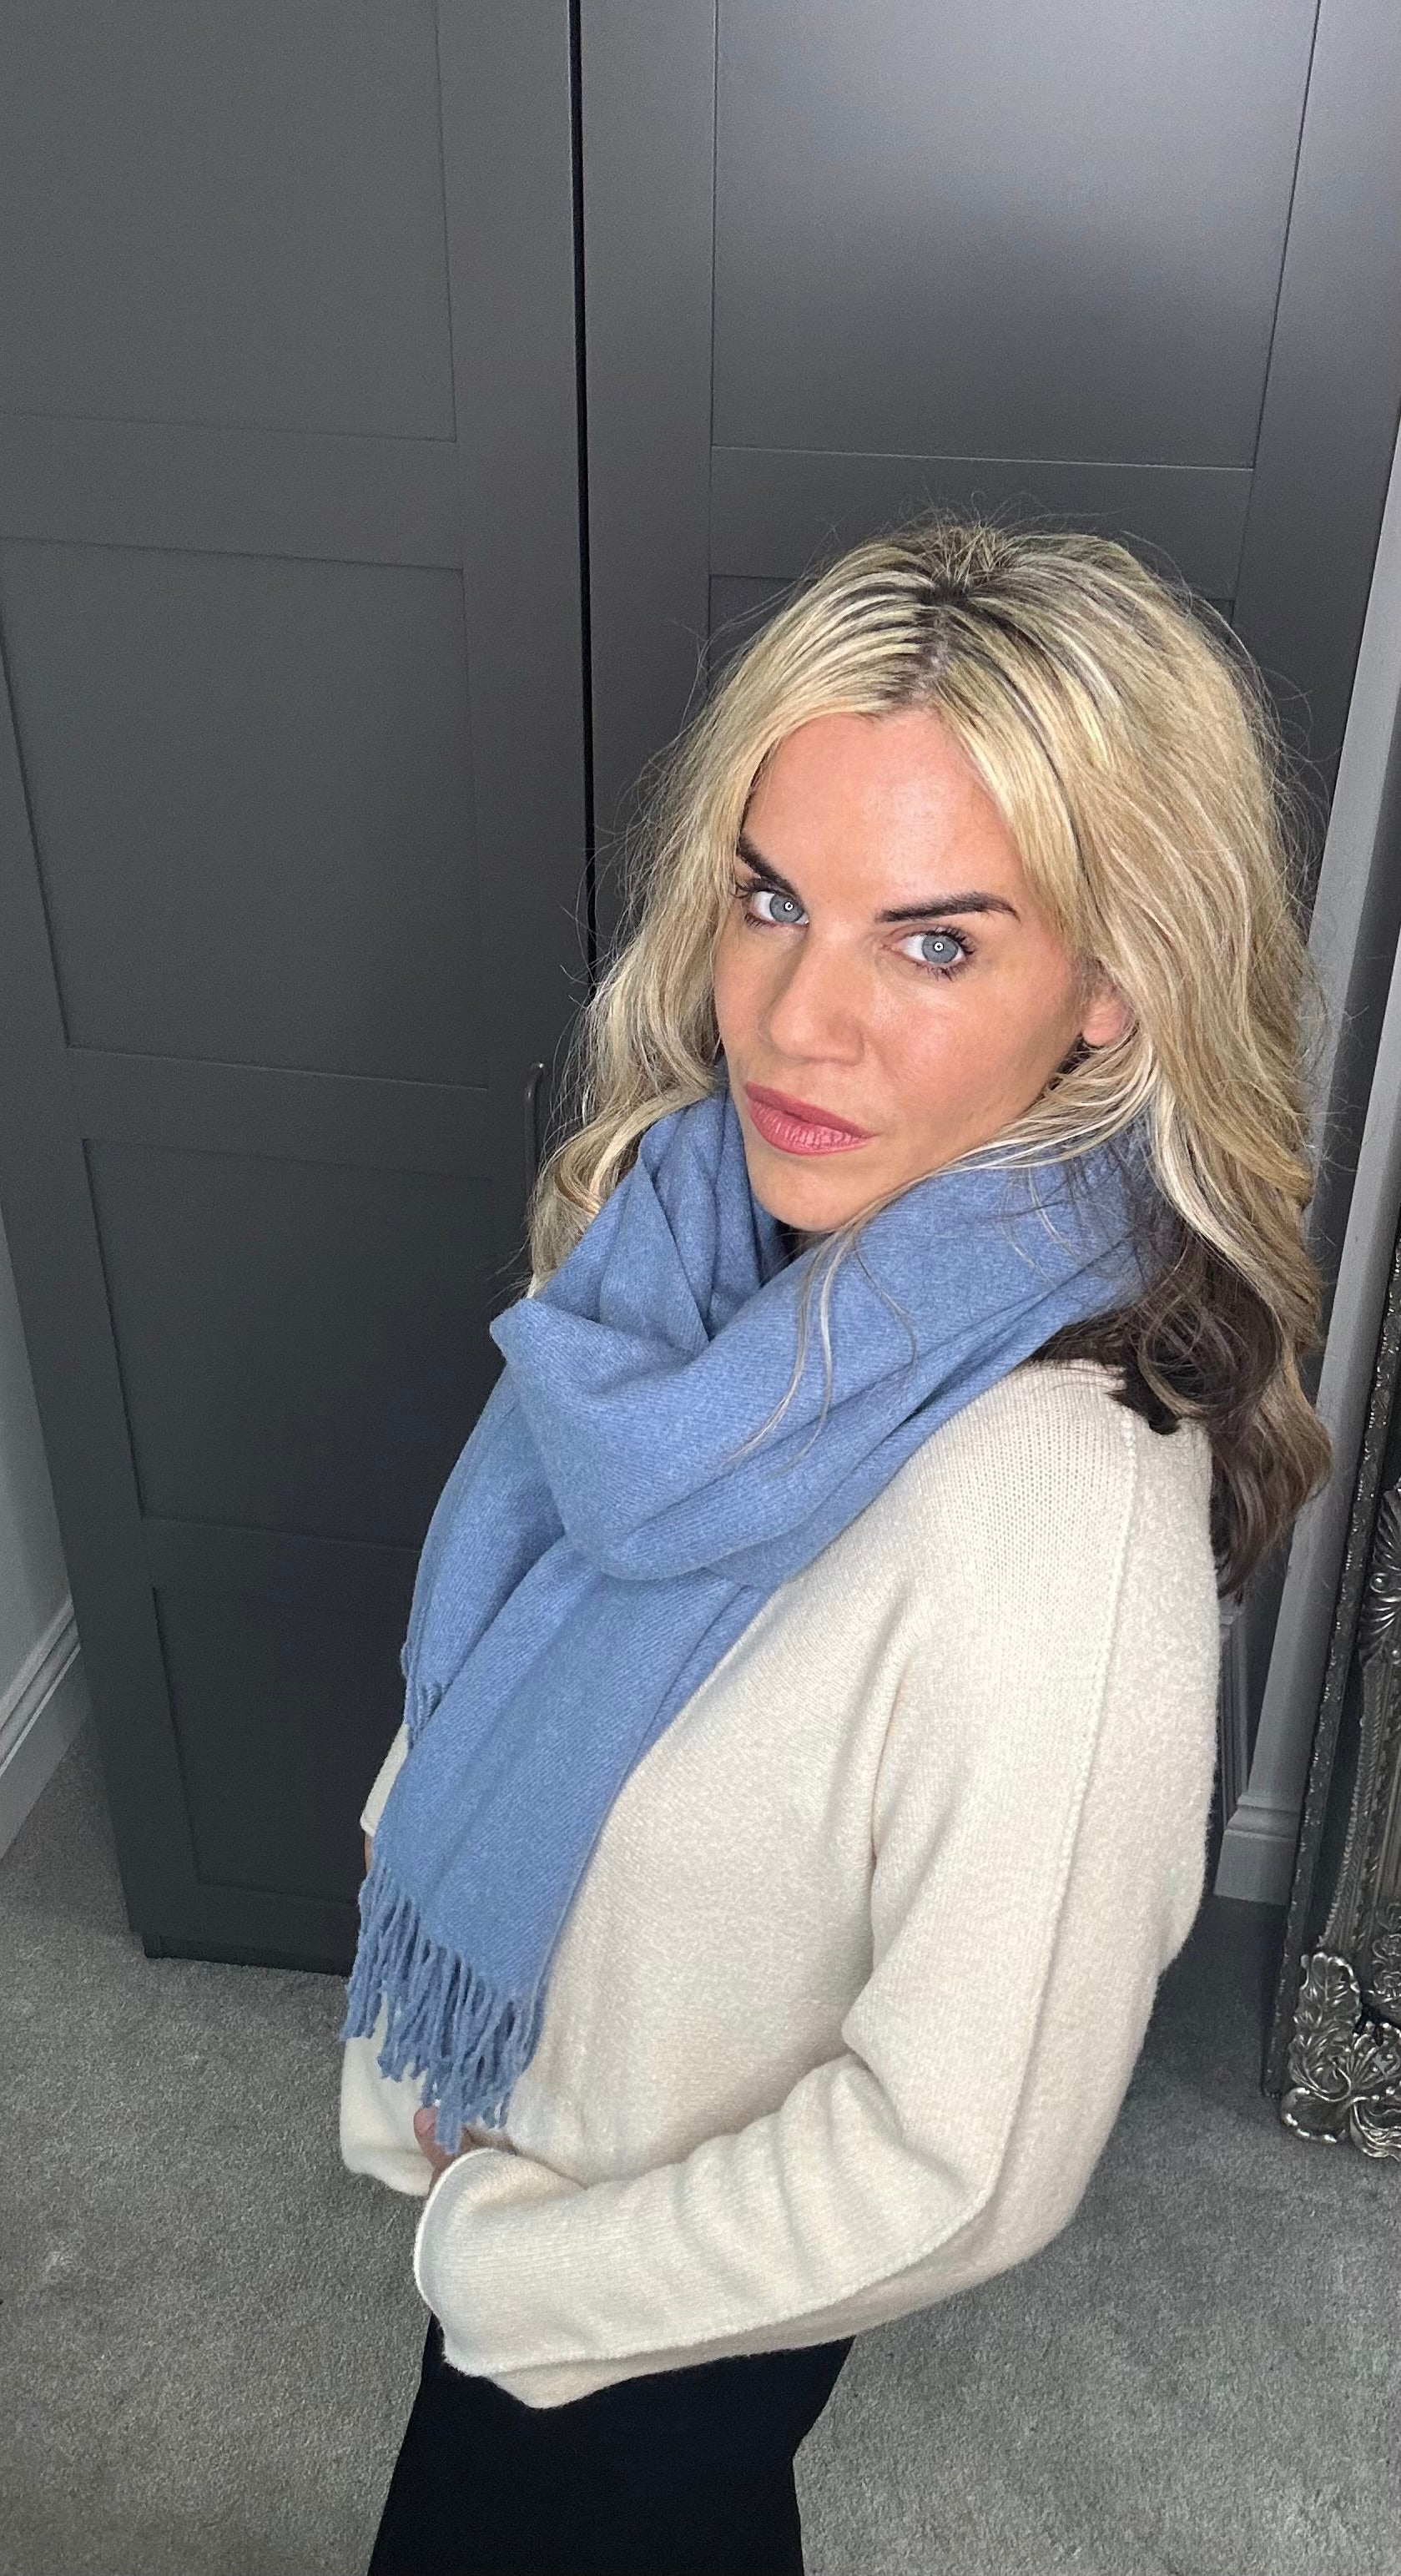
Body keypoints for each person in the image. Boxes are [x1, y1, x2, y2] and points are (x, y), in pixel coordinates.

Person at [338, 516, 1333, 2575]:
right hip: (522, 2130)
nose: (798, 1021)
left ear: (1113, 990)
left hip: (639, 2309)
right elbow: (527, 1645)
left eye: (936, 943)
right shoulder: (689, 1249)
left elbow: (963, 2154)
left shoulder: (1055, 1515)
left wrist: (513, 2269)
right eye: (773, 898)